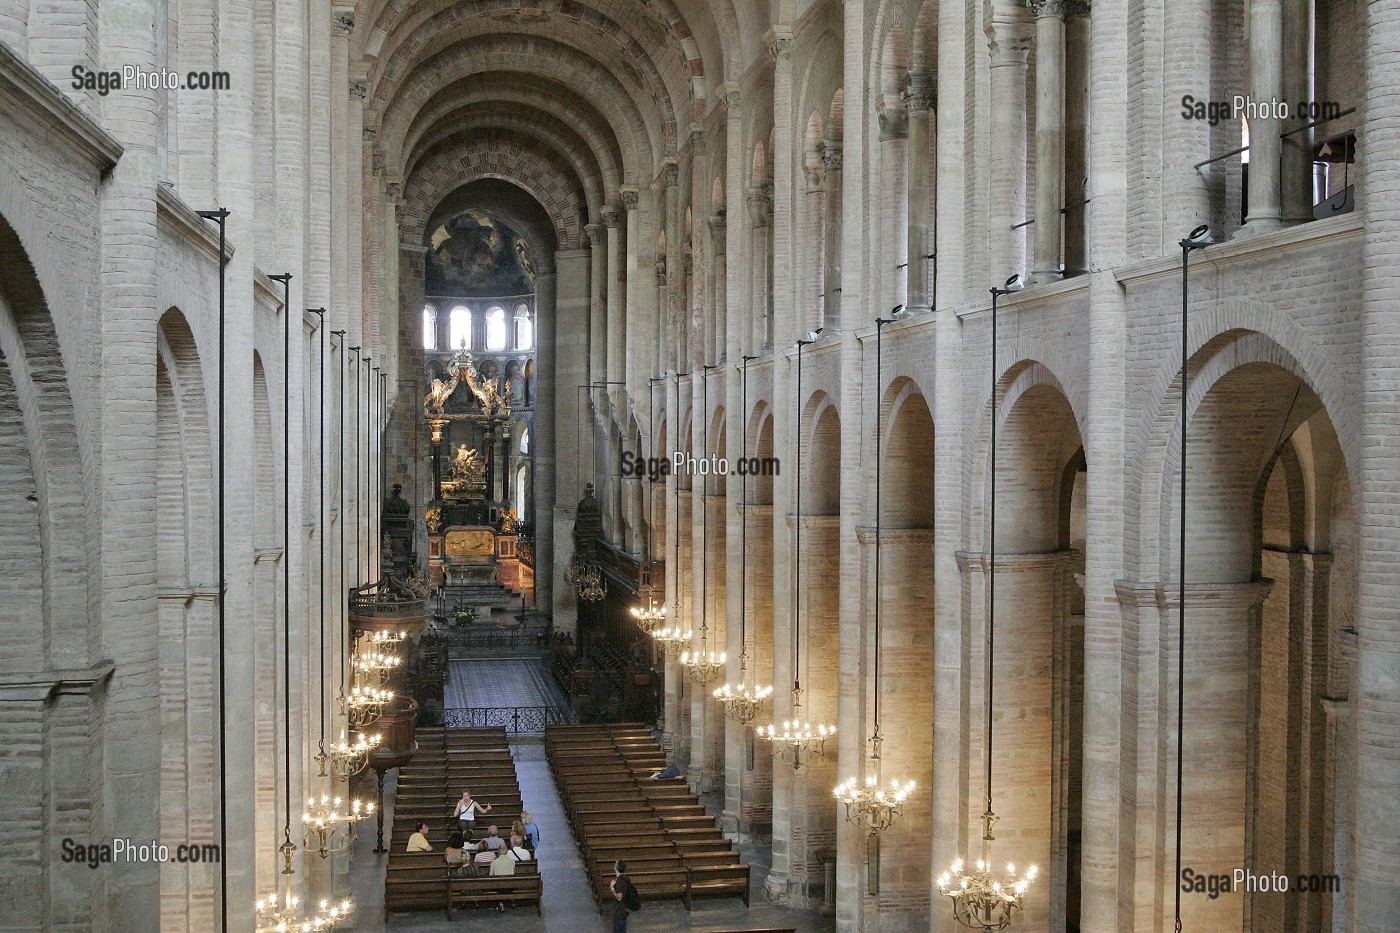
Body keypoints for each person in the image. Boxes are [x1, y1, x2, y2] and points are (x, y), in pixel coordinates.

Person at [610, 859, 639, 933]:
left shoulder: (619, 881)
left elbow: (619, 897)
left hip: (619, 910)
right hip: (624, 910)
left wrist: (612, 889)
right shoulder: (625, 878)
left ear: (616, 868)